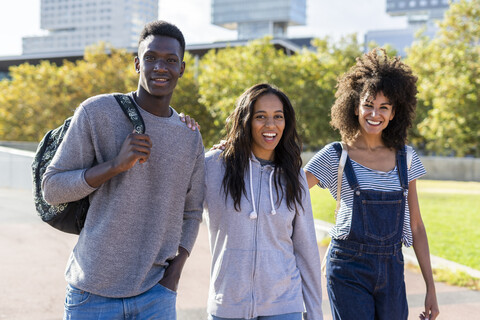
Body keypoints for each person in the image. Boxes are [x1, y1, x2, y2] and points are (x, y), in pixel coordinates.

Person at [42, 20, 205, 319]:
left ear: (181, 69)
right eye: (151, 58)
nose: (160, 67)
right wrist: (115, 166)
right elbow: (52, 188)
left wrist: (173, 279)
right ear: (136, 64)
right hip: (92, 293)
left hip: (157, 295)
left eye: (170, 61)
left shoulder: (189, 134)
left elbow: (192, 212)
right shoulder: (97, 112)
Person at [304, 48, 439, 320]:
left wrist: (431, 288)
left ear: (393, 113)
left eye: (383, 107)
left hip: (392, 267)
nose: (374, 113)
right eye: (368, 104)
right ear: (355, 107)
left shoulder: (406, 158)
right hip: (347, 268)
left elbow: (416, 226)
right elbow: (288, 189)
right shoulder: (335, 155)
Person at [204, 83, 323, 320]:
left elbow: (306, 250)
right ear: (245, 120)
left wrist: (314, 314)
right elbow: (175, 210)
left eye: (278, 117)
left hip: (284, 306)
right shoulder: (214, 166)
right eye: (261, 117)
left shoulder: (294, 176)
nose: (271, 125)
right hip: (228, 304)